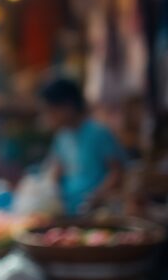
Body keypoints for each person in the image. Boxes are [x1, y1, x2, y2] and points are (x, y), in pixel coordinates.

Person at [40, 78, 126, 214]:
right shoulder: (61, 137)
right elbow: (57, 169)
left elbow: (117, 172)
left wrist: (97, 196)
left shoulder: (99, 133)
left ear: (67, 106)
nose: (49, 117)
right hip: (68, 210)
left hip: (96, 211)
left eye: (52, 111)